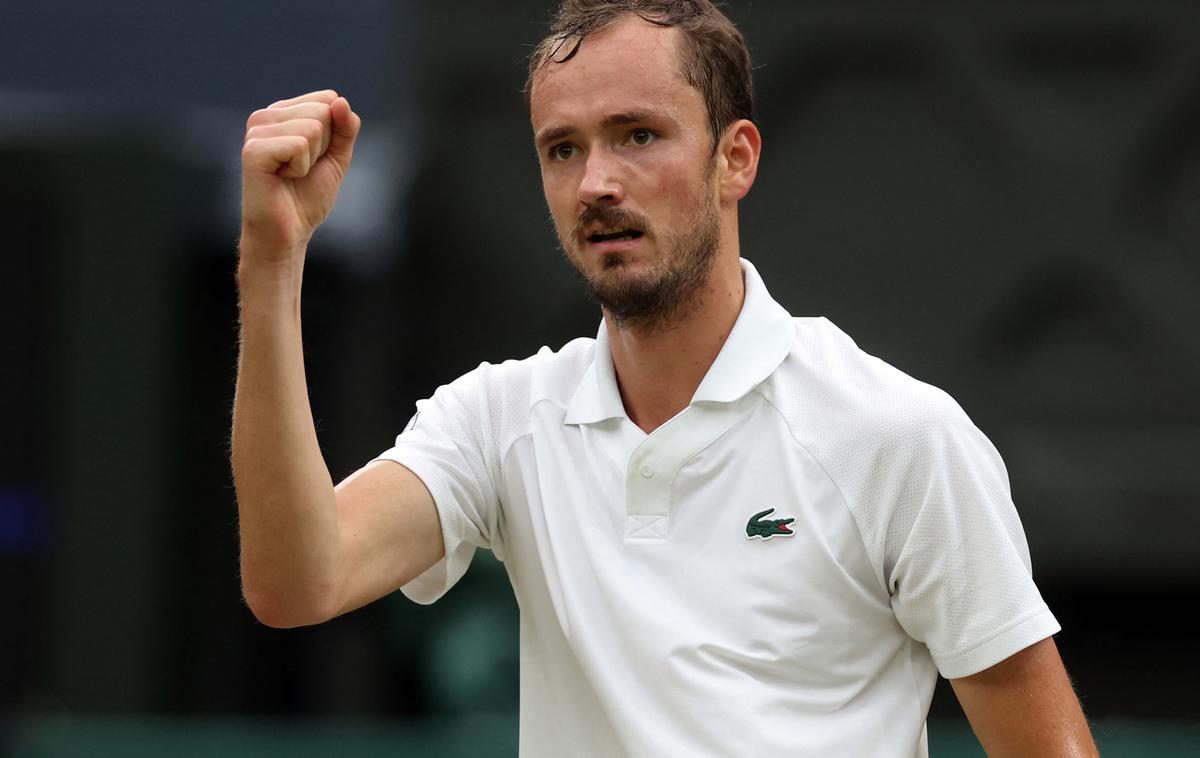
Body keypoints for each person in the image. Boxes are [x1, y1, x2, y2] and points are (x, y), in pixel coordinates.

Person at [232, 1, 1100, 755]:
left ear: (737, 159)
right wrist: (273, 262)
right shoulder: (500, 419)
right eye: (562, 149)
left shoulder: (896, 435)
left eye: (638, 135)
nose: (596, 183)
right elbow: (298, 583)